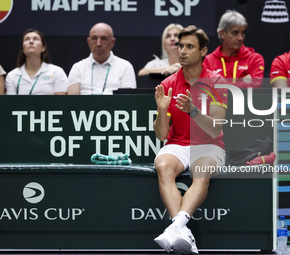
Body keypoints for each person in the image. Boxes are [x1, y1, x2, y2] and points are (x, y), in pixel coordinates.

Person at [153, 25, 228, 254]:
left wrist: (193, 111)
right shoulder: (168, 84)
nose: (182, 51)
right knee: (162, 165)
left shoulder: (217, 81)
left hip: (210, 145)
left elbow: (215, 129)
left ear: (203, 51)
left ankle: (174, 228)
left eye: (189, 46)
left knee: (201, 169)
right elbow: (161, 135)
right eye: (181, 46)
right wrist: (161, 109)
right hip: (177, 144)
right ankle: (183, 233)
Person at [68, 22, 136, 95]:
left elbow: (128, 101)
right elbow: (73, 101)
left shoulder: (125, 67)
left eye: (104, 39)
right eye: (94, 38)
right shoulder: (78, 68)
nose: (98, 44)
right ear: (89, 42)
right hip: (85, 106)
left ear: (112, 42)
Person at [203, 10, 264, 88]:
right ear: (222, 34)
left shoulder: (255, 59)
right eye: (235, 33)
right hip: (216, 101)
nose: (240, 38)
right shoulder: (207, 61)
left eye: (243, 32)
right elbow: (206, 89)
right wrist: (242, 83)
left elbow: (256, 87)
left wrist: (219, 85)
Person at [5, 29, 68, 95]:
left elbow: (61, 103)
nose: (31, 42)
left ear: (43, 48)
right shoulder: (12, 75)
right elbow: (10, 104)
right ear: (22, 49)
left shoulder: (56, 72)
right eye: (27, 39)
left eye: (35, 39)